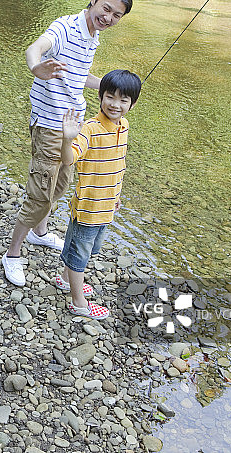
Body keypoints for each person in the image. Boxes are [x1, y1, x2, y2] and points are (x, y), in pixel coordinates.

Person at [2, 0, 133, 287]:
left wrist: (115, 90)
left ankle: (40, 233)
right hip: (49, 123)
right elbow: (34, 49)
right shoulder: (65, 28)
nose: (109, 17)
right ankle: (12, 254)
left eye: (117, 15)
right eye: (106, 8)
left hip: (72, 124)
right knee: (41, 195)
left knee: (61, 184)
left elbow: (78, 74)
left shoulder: (93, 35)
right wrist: (36, 68)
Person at [57, 69, 142, 319]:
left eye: (123, 100)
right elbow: (69, 159)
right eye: (109, 97)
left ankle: (65, 279)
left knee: (86, 248)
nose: (115, 104)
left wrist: (116, 196)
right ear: (100, 96)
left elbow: (118, 164)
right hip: (88, 208)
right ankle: (78, 302)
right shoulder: (90, 129)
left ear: (132, 104)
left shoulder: (123, 126)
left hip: (106, 205)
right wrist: (67, 139)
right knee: (79, 255)